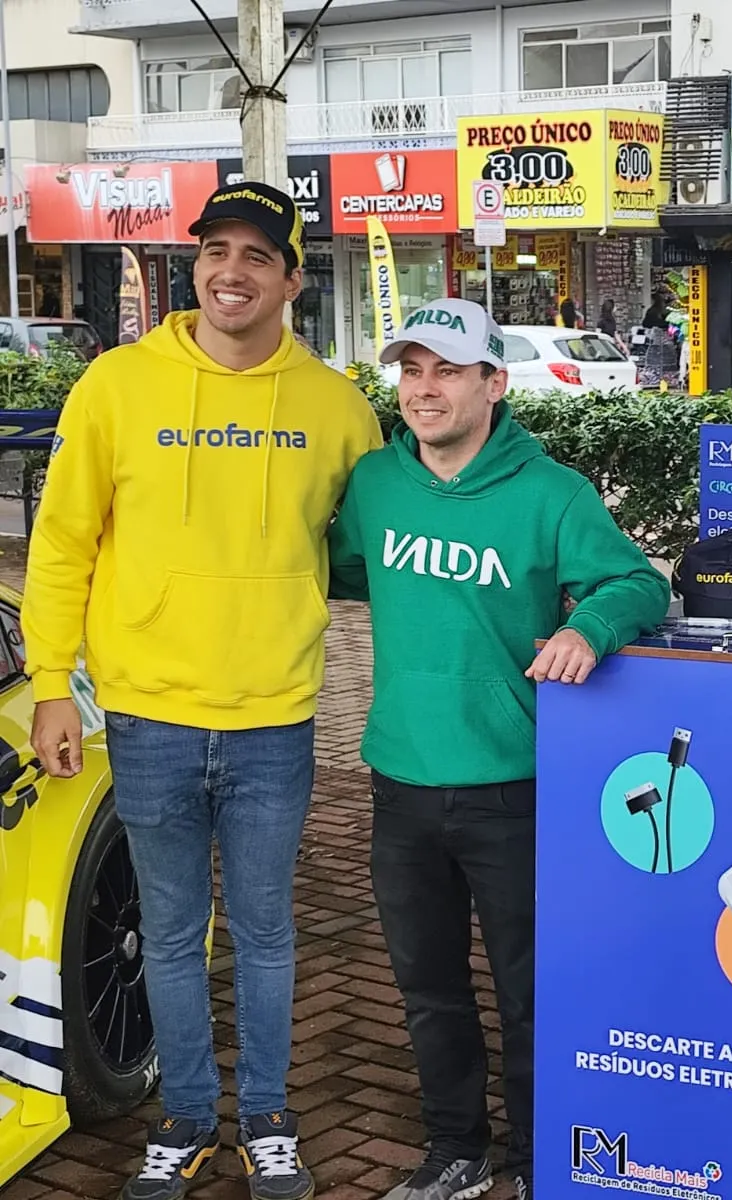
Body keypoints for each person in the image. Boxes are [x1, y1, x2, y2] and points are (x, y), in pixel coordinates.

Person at [22, 181, 383, 1200]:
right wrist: (52, 685)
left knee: (265, 934)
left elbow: (374, 547)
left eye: (258, 255)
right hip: (147, 714)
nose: (231, 271)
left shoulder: (338, 409)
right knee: (172, 934)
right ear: (196, 266)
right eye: (216, 250)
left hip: (275, 715)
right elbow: (61, 543)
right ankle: (185, 1116)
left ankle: (266, 1117)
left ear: (293, 280)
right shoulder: (117, 386)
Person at [325, 298, 670, 1200]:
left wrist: (588, 627)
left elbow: (636, 581)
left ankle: (538, 1160)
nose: (424, 389)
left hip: (513, 788)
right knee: (428, 988)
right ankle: (458, 1151)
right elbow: (343, 569)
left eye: (446, 371)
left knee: (530, 993)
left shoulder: (550, 492)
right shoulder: (376, 482)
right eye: (411, 371)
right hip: (399, 779)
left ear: (494, 383)